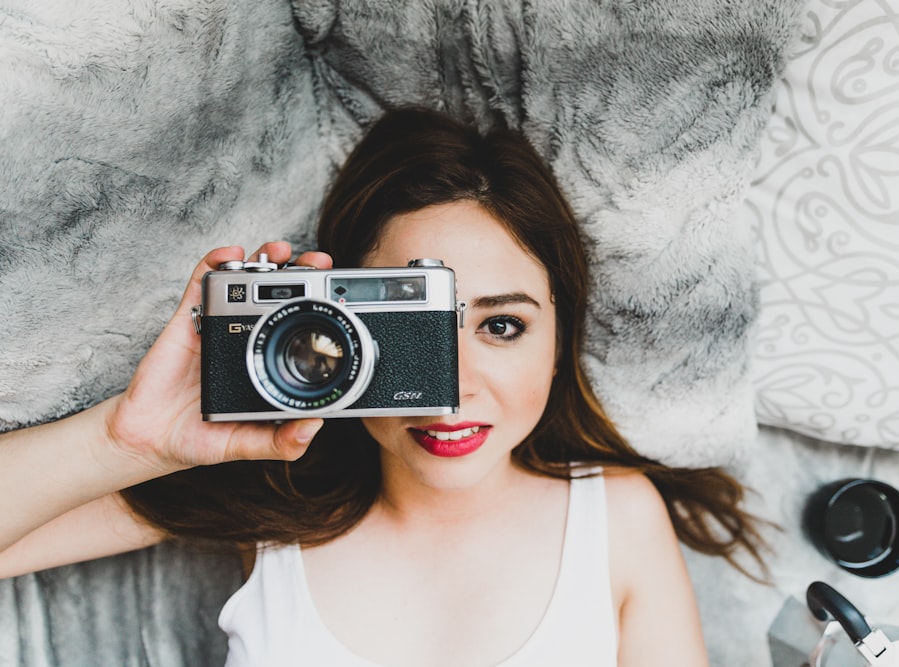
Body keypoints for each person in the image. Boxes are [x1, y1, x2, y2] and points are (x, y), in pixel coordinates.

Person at [0, 108, 767, 666]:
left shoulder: (615, 517)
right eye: (412, 336)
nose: (449, 392)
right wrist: (122, 441)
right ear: (328, 322)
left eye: (502, 327)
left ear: (561, 337)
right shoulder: (274, 497)